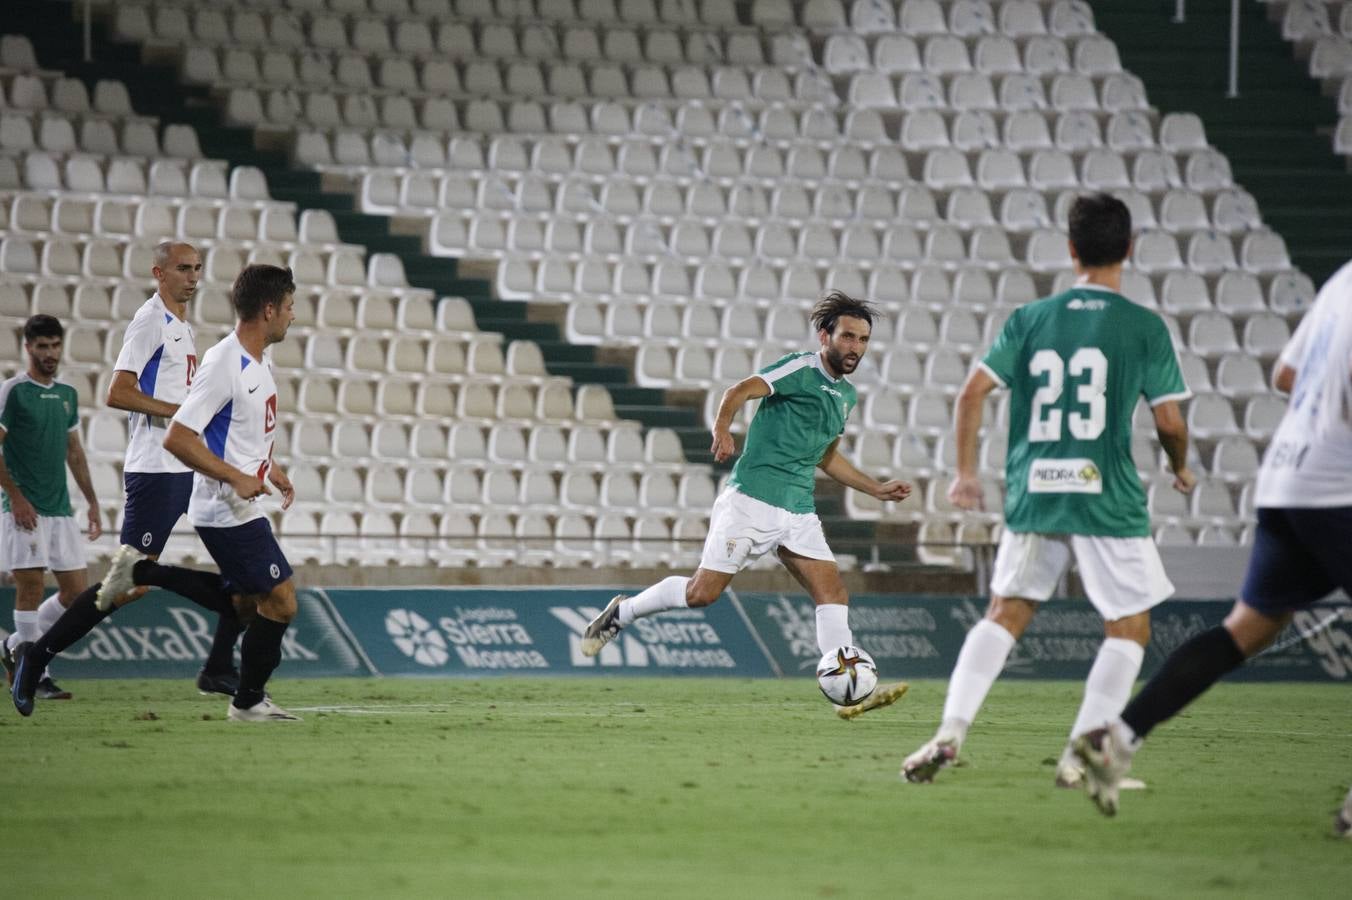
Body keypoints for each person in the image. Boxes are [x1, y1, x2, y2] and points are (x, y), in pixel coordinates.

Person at [902, 193, 1196, 784]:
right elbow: (1169, 421)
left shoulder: (1030, 319)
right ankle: (1079, 758)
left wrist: (965, 473)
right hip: (1104, 495)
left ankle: (950, 731)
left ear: (1070, 250)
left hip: (1035, 490)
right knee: (1129, 627)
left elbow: (971, 394)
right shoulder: (1143, 327)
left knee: (1004, 613)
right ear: (1130, 249)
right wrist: (1180, 465)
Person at [1075, 259, 1352, 826]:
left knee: (1246, 629)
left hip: (1287, 476)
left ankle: (1119, 738)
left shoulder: (1342, 280)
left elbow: (1286, 374)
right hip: (1338, 486)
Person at [580, 291, 913, 718]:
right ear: (825, 335)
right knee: (702, 594)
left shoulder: (845, 396)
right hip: (752, 501)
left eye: (863, 340)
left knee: (833, 593)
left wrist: (875, 489)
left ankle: (847, 694)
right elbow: (739, 391)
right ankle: (621, 613)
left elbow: (825, 455)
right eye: (848, 337)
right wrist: (722, 429)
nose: (855, 348)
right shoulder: (800, 369)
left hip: (798, 510)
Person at [14, 264, 301, 722]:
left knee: (237, 596)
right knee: (125, 582)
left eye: (199, 269)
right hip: (157, 469)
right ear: (160, 273)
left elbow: (227, 423)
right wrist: (221, 460)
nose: (194, 277)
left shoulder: (200, 336)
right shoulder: (156, 323)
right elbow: (127, 396)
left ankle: (219, 669)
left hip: (182, 473)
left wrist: (268, 465)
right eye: (185, 268)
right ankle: (36, 655)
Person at [0, 315, 100, 701]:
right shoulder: (14, 392)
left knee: (77, 594)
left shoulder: (67, 395)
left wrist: (91, 500)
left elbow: (73, 452)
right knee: (30, 585)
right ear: (28, 347)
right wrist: (17, 497)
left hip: (60, 510)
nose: (49, 353)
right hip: (23, 509)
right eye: (42, 346)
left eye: (55, 346)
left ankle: (15, 648)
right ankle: (33, 674)